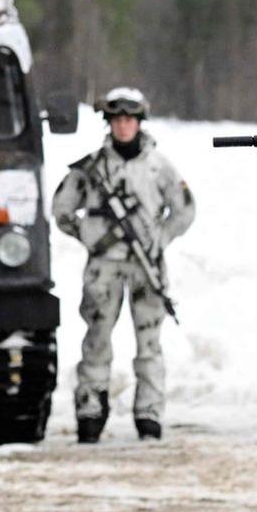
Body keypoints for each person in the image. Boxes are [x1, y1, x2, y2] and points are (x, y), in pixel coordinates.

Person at [51, 87, 196, 443]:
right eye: (117, 119)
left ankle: (149, 413)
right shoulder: (91, 167)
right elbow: (62, 210)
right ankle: (91, 410)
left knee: (149, 344)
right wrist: (91, 236)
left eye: (129, 119)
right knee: (97, 340)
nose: (123, 126)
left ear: (139, 122)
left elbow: (184, 209)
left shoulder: (159, 166)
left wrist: (158, 240)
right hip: (104, 266)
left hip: (146, 267)